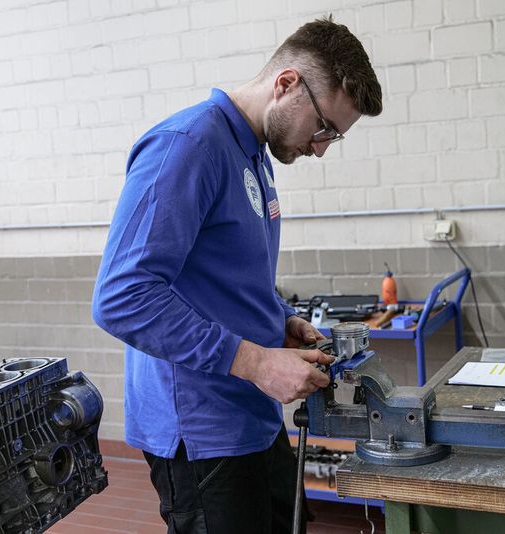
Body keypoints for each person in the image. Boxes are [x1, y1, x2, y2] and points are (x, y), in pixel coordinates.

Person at [92, 15, 382, 534]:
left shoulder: (254, 155)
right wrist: (255, 361)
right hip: (203, 432)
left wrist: (280, 318)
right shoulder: (189, 146)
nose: (320, 148)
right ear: (286, 84)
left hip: (250, 414)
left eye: (332, 138)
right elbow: (122, 296)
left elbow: (225, 275)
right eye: (323, 129)